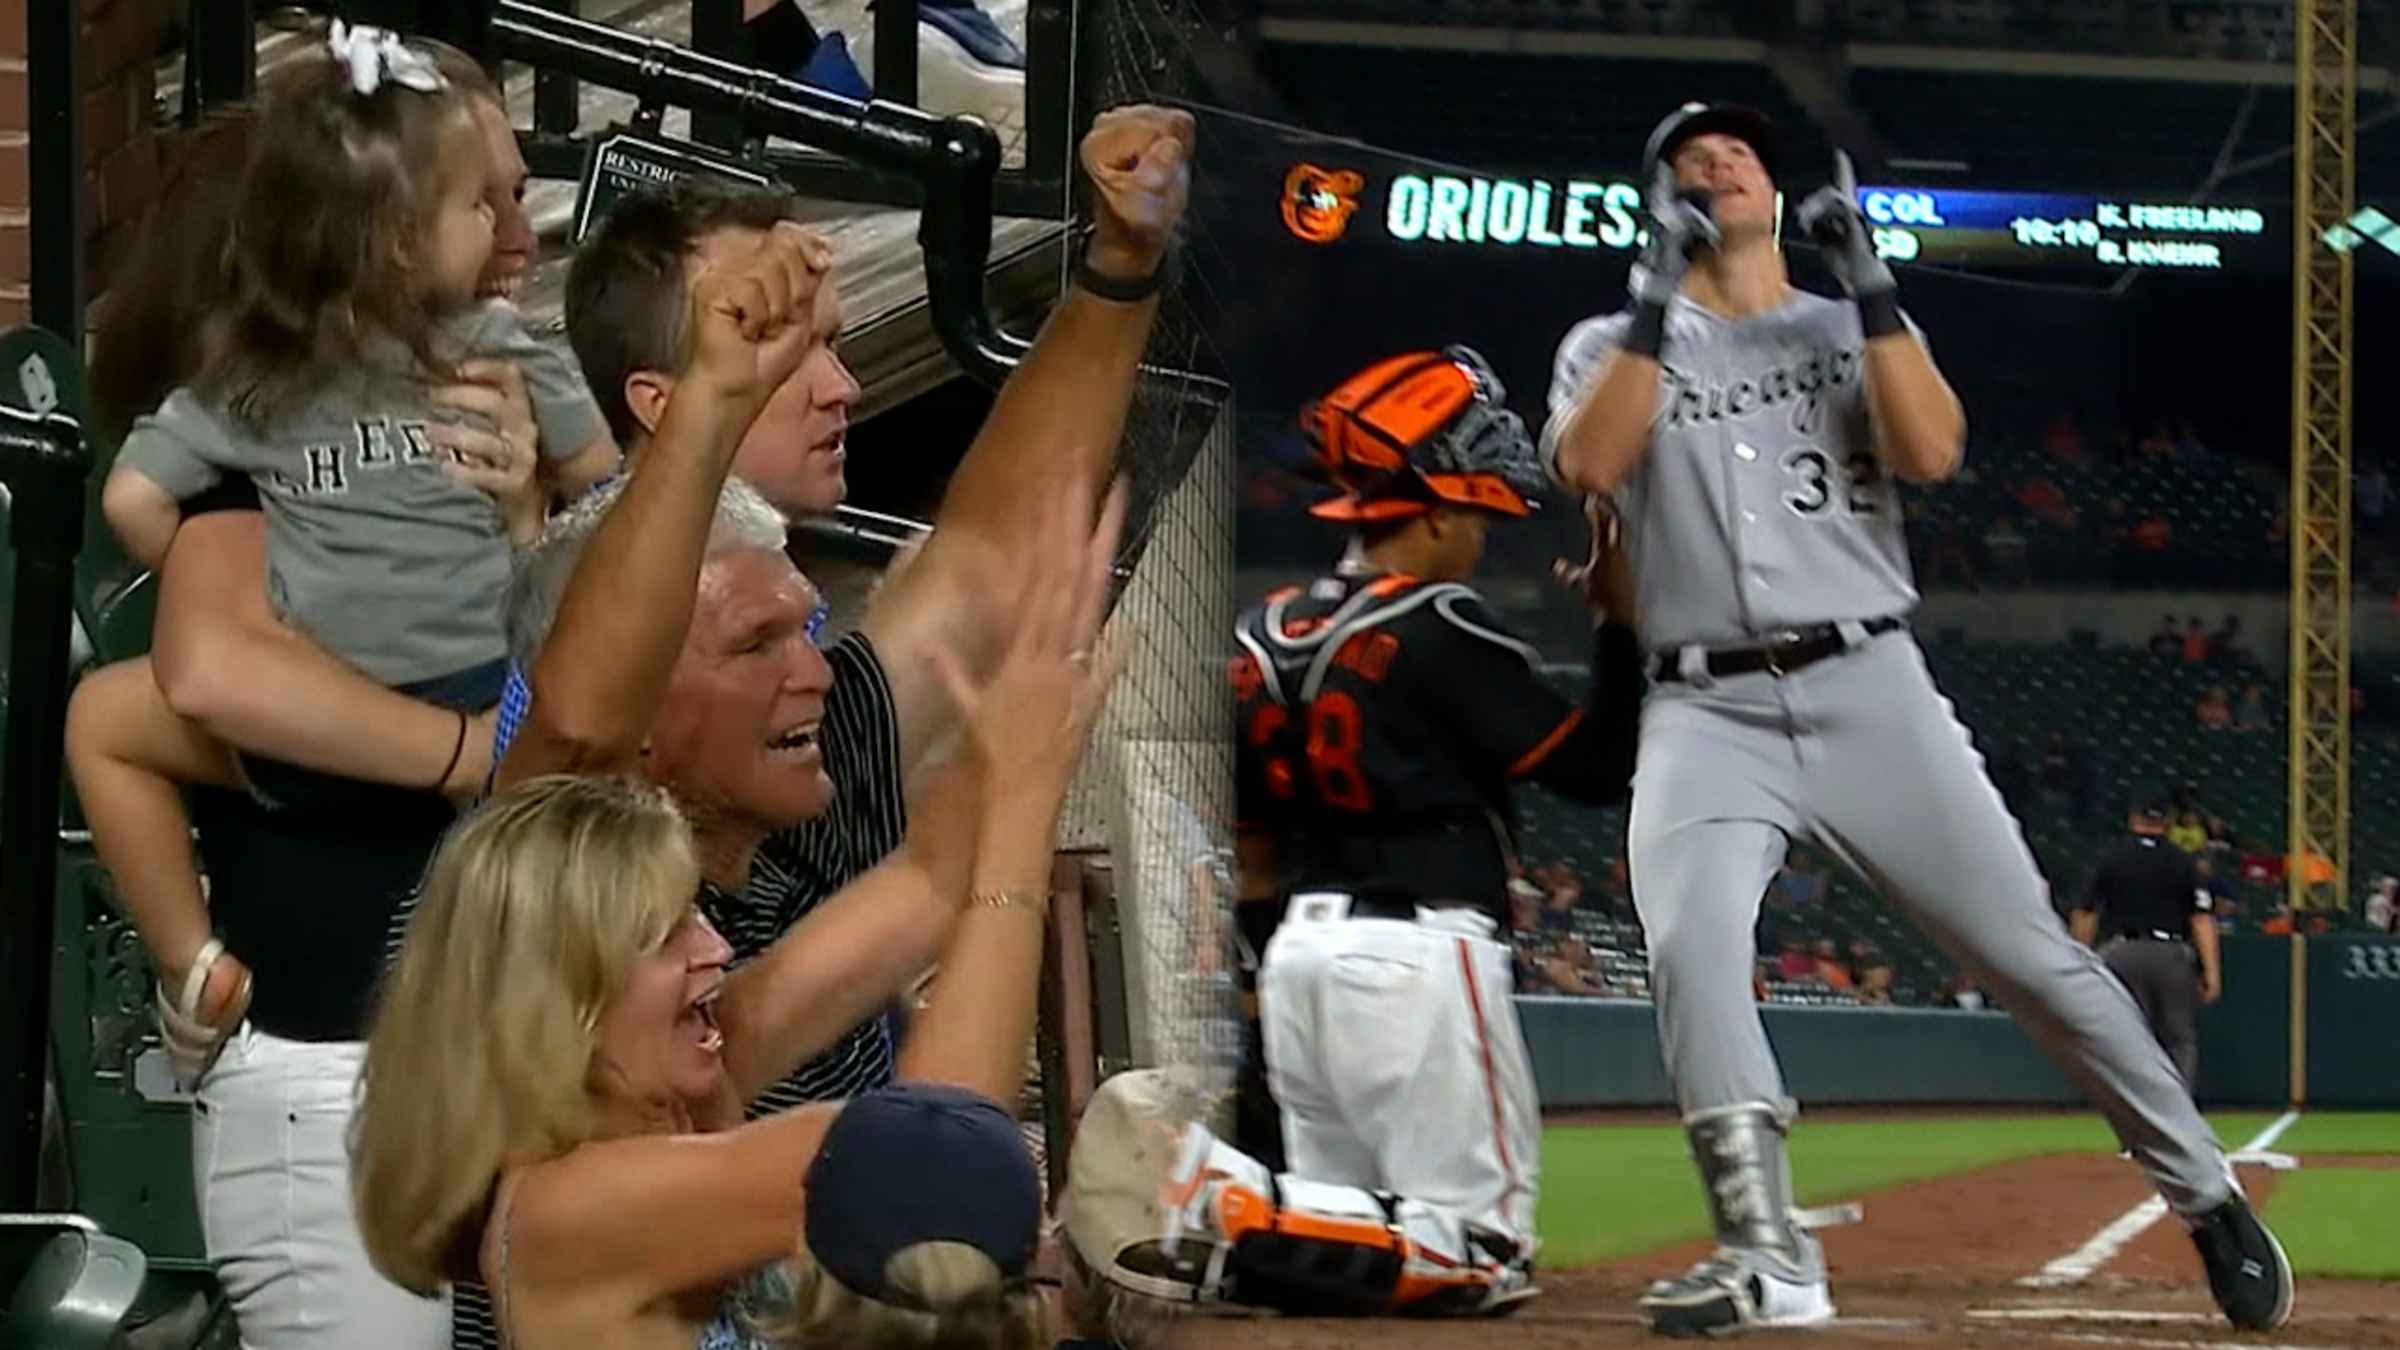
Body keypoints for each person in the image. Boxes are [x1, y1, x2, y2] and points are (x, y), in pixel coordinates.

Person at [416, 104, 1195, 1350]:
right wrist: (719, 401)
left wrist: (1117, 267)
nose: (814, 672)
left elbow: (988, 580)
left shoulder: (695, 1027)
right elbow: (938, 1179)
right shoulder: (564, 855)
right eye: (755, 646)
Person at [1541, 100, 2291, 1334]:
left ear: (1780, 194)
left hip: (1867, 687)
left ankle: (2205, 1194)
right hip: (1702, 707)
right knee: (1688, 950)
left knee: (2034, 959)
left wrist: (1873, 278)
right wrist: (1655, 296)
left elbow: (1935, 450)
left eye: (1739, 155)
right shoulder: (1612, 341)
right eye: (1691, 162)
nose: (1720, 165)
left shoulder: (1846, 325)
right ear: (1659, 203)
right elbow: (1586, 465)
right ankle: (1766, 1254)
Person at [65, 28, 610, 1350]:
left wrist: (534, 513)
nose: (515, 227)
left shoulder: (486, 365)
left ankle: (191, 964)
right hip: (338, 1076)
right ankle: (190, 965)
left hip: (472, 1038)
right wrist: (467, 749)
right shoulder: (255, 443)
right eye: (480, 197)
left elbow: (612, 536)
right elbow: (192, 653)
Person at [1151, 347, 1643, 1318]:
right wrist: (1621, 630)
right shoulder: (1438, 621)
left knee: (1352, 1243)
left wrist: (1254, 994)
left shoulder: (1260, 632)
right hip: (1418, 954)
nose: (1477, 541)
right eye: (1471, 519)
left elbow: (1250, 853)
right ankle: (1210, 1191)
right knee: (1484, 1252)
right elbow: (1593, 773)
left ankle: (1239, 1213)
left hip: (1296, 962)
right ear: (1429, 513)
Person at [2071, 801, 2222, 1087]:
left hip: (2122, 951)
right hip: (2171, 954)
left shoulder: (2112, 857)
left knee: (2129, 1034)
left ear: (2133, 819)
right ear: (2167, 822)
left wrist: (2081, 958)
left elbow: (2085, 912)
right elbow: (2202, 919)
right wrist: (2211, 971)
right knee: (2179, 1037)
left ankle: (2135, 1104)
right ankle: (2178, 1108)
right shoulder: (2183, 860)